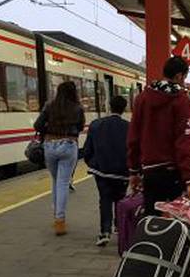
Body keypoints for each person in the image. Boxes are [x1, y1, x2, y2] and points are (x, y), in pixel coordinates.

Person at [127, 56, 190, 277]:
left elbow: (133, 137)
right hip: (172, 173)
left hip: (150, 173)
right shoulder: (181, 100)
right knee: (179, 222)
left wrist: (134, 171)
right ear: (180, 76)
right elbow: (183, 142)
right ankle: (183, 271)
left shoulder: (142, 98)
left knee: (151, 221)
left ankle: (147, 271)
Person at [34, 81, 85, 235]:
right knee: (63, 183)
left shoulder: (50, 105)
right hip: (69, 145)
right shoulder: (77, 108)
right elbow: (81, 127)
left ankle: (57, 216)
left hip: (50, 145)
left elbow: (37, 125)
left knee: (56, 181)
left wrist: (49, 130)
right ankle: (59, 220)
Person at [84, 95, 130, 247]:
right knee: (120, 198)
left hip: (101, 171)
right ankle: (119, 227)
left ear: (109, 106)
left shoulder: (96, 124)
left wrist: (93, 163)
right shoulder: (129, 127)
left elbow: (87, 150)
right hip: (122, 172)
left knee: (104, 199)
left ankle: (104, 232)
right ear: (124, 109)